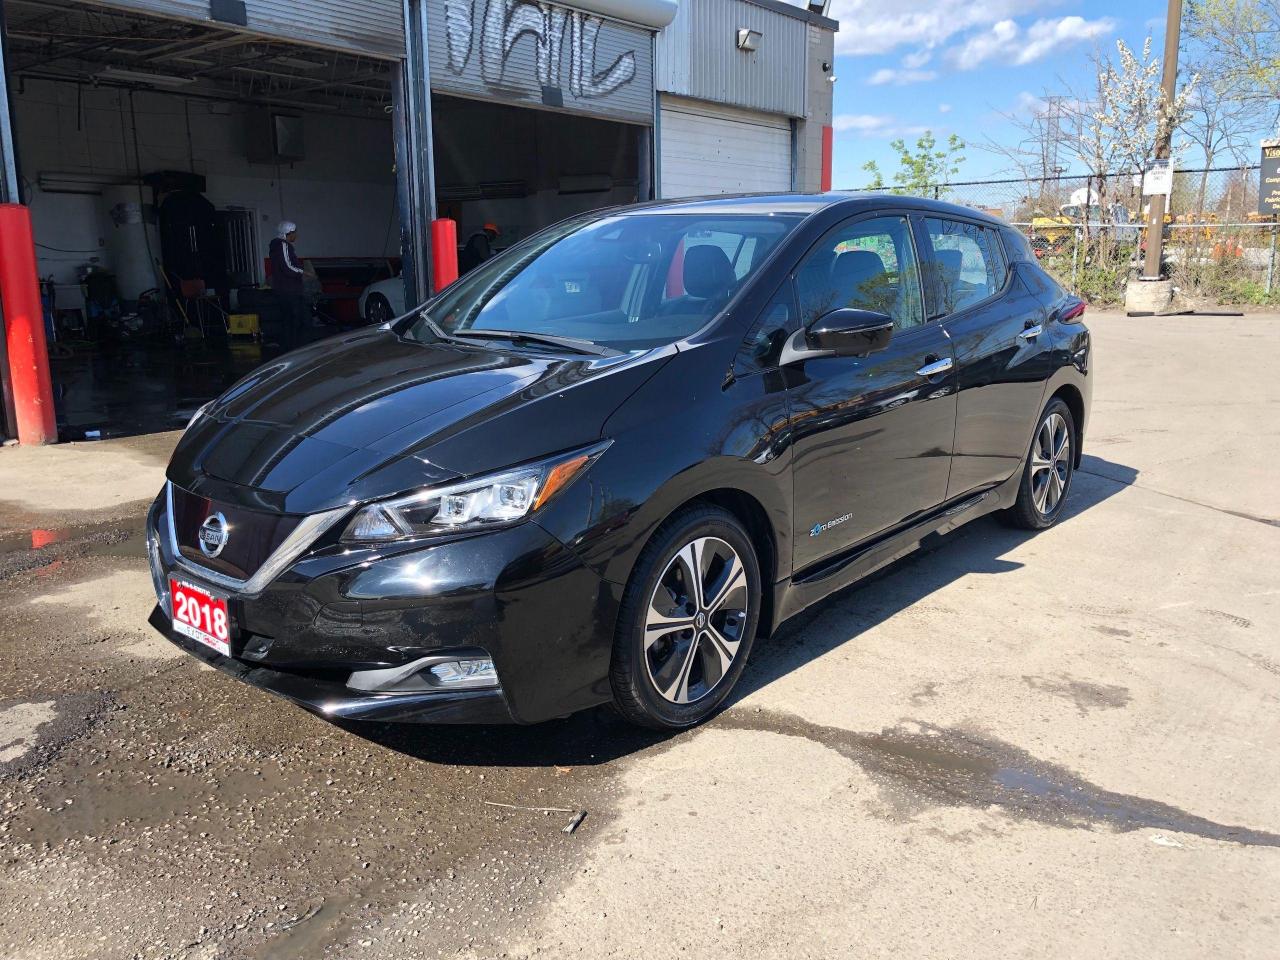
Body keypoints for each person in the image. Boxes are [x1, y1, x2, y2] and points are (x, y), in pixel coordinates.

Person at [269, 220, 310, 349]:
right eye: (294, 232)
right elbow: (287, 266)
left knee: (288, 320)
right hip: (290, 290)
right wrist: (303, 272)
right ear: (288, 233)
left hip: (282, 289)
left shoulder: (275, 246)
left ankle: (288, 347)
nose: (296, 235)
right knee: (297, 320)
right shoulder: (283, 245)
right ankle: (295, 347)